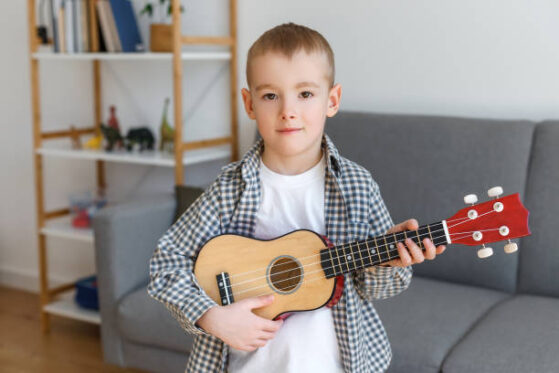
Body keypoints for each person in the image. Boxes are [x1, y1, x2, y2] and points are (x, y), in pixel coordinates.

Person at [148, 22, 446, 373]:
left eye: (305, 94)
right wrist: (210, 316)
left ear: (331, 100)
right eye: (270, 95)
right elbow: (166, 263)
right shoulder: (230, 188)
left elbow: (373, 287)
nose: (288, 110)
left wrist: (391, 261)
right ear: (249, 103)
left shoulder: (357, 186)